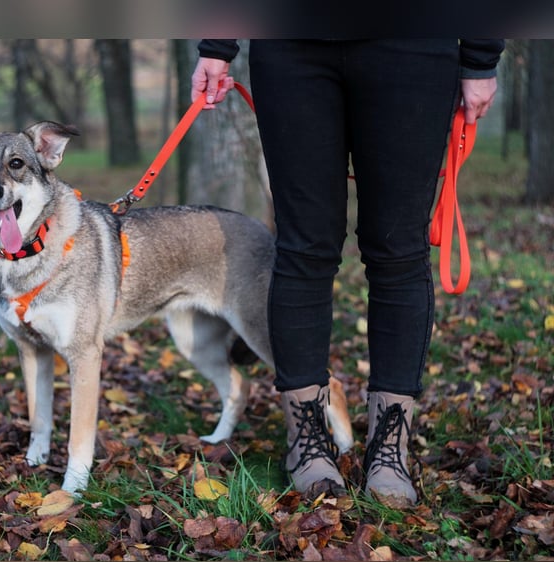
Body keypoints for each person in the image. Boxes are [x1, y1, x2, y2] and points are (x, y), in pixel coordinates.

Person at [191, 39, 504, 508]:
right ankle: (306, 439)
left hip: (413, 42)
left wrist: (480, 56)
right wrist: (217, 42)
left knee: (398, 251)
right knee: (303, 249)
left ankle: (389, 448)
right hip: (292, 47)